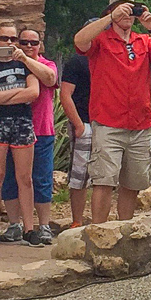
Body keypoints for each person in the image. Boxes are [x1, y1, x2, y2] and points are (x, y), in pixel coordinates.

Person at [74, 0, 151, 223]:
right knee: (104, 180)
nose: (127, 13)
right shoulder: (101, 39)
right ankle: (98, 231)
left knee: (133, 182)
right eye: (121, 9)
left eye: (132, 9)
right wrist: (109, 20)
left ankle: (124, 229)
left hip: (139, 123)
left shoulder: (142, 41)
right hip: (108, 121)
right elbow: (79, 41)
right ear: (110, 12)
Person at [0, 27, 58, 243]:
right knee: (9, 177)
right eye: (24, 42)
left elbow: (49, 79)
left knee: (40, 178)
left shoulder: (44, 64)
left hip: (41, 128)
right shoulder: (8, 65)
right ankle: (14, 224)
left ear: (40, 45)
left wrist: (27, 61)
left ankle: (44, 225)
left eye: (33, 43)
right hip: (11, 128)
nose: (29, 46)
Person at [0, 21, 42, 245]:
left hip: (22, 121)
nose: (9, 43)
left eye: (13, 39)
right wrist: (17, 92)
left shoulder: (24, 64)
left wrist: (3, 96)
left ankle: (29, 228)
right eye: (4, 39)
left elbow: (33, 92)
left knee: (25, 177)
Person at [58, 40, 92, 228]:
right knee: (80, 174)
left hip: (107, 122)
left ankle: (100, 220)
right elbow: (65, 93)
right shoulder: (77, 61)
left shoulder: (107, 59)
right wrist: (78, 125)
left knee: (105, 176)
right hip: (84, 121)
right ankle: (77, 221)